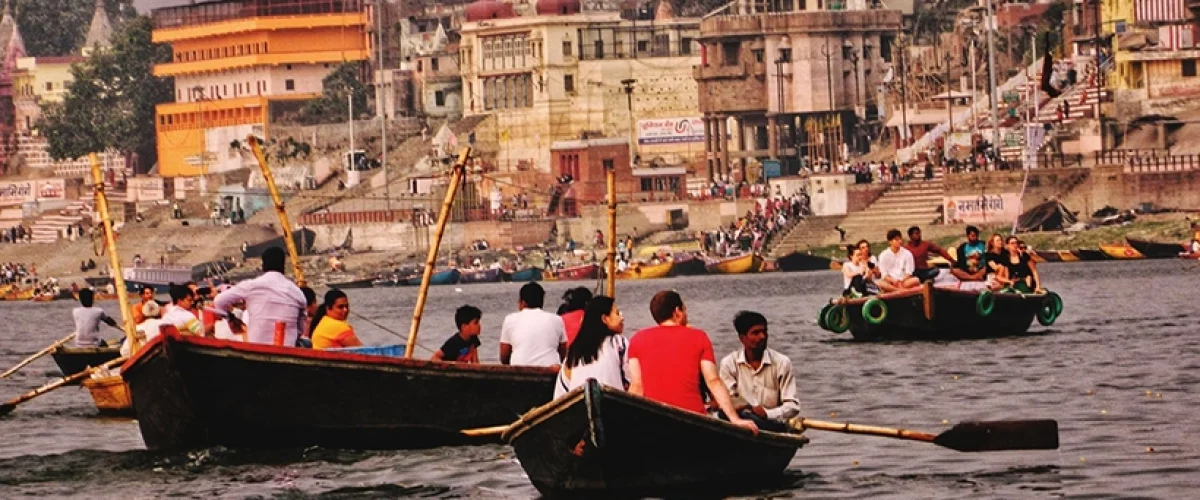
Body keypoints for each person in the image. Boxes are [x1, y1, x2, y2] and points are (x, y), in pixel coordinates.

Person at [626, 291, 758, 434]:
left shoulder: (637, 339)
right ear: (677, 311)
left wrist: (632, 422)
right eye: (685, 309)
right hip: (694, 420)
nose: (686, 314)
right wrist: (735, 419)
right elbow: (713, 381)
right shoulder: (699, 337)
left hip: (654, 420)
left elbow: (637, 387)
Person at [716, 311, 800, 432]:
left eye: (764, 332)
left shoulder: (782, 363)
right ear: (742, 338)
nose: (762, 337)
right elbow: (728, 401)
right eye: (755, 333)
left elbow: (793, 406)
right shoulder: (729, 363)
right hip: (741, 424)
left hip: (771, 425)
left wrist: (767, 413)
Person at [212, 247, 307, 346]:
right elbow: (300, 329)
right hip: (287, 352)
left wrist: (230, 318)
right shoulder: (297, 293)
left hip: (256, 350)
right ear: (283, 266)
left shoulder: (251, 285)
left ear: (263, 266)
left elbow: (219, 301)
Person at [555, 295, 628, 398]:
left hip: (579, 411)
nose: (622, 317)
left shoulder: (574, 351)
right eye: (617, 313)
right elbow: (632, 381)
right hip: (613, 406)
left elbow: (561, 392)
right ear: (604, 319)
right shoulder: (619, 343)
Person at [500, 283, 566, 366]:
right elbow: (563, 353)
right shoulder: (556, 319)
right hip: (550, 372)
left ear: (522, 302)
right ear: (542, 302)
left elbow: (504, 357)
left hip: (519, 372)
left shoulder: (509, 319)